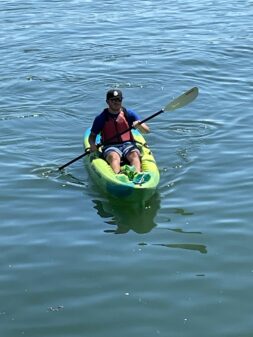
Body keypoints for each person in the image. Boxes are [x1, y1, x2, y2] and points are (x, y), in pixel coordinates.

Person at [88, 89, 150, 174]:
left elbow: (147, 131)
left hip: (128, 144)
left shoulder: (129, 114)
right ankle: (118, 176)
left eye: (118, 99)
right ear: (107, 102)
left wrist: (140, 125)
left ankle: (137, 175)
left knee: (134, 155)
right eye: (113, 100)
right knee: (114, 157)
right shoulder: (101, 118)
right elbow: (92, 136)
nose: (116, 102)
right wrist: (92, 145)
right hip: (110, 146)